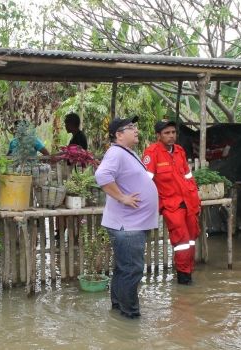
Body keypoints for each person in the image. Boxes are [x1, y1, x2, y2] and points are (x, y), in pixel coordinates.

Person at [95, 116, 158, 319]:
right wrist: (122, 197)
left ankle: (118, 310)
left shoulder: (126, 153)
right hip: (128, 226)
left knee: (124, 269)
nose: (136, 130)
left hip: (131, 224)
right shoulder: (116, 153)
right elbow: (102, 176)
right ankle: (131, 316)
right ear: (119, 135)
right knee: (132, 270)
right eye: (130, 127)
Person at [142, 119, 201, 285]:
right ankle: (184, 278)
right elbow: (146, 182)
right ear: (158, 135)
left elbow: (188, 178)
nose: (171, 136)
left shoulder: (180, 151)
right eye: (167, 133)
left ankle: (188, 274)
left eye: (173, 132)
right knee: (181, 241)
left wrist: (196, 200)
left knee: (191, 239)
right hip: (171, 205)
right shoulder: (151, 153)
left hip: (189, 203)